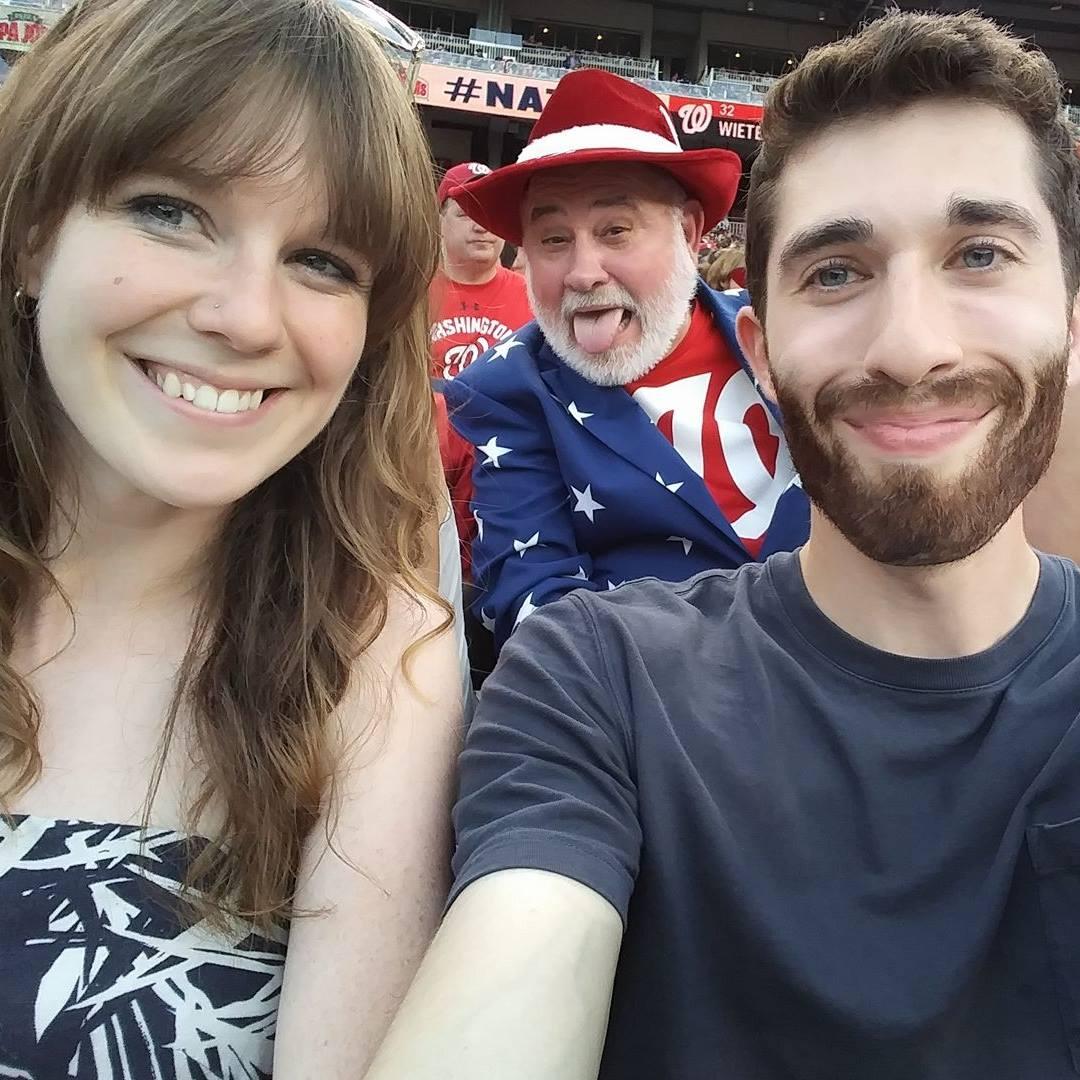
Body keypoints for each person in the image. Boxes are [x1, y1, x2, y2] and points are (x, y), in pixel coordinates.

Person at [367, 11, 1080, 1079]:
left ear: (695, 244)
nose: (911, 346)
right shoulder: (524, 455)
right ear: (770, 330)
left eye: (980, 254)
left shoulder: (763, 361)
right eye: (837, 272)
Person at [0, 1, 463, 1077]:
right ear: (32, 235)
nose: (248, 317)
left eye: (322, 261)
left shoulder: (375, 657)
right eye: (170, 210)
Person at [440, 69, 809, 650]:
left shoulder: (789, 331)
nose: (584, 272)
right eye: (554, 240)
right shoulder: (509, 391)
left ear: (688, 233)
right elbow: (534, 607)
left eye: (615, 230)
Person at [429, 162, 533, 382]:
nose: (481, 226)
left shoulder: (535, 298)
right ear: (439, 222)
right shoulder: (411, 295)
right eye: (466, 213)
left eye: (491, 213)